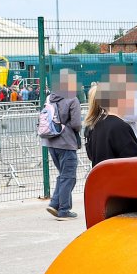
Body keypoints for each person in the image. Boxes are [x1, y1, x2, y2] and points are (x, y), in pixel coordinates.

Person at [40, 69, 84, 220]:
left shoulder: (50, 97)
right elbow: (77, 124)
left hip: (51, 141)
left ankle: (55, 204)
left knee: (64, 175)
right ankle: (63, 209)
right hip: (66, 142)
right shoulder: (72, 99)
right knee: (69, 177)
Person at [84, 82, 137, 166]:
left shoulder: (92, 125)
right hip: (118, 177)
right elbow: (135, 162)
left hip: (101, 177)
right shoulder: (119, 127)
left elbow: (91, 155)